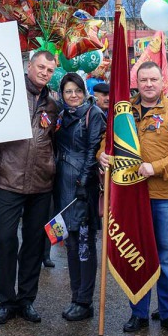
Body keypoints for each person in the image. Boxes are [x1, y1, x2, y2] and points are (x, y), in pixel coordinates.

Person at [101, 61, 168, 335]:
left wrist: (156, 167)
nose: (148, 84)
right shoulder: (123, 111)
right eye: (143, 79)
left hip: (164, 195)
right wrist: (102, 155)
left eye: (153, 79)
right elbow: (106, 142)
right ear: (136, 81)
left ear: (162, 81)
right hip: (130, 196)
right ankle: (138, 313)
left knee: (167, 255)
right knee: (136, 254)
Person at [0, 50, 59, 325]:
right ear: (29, 66)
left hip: (41, 183)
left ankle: (26, 300)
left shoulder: (53, 104)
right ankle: (6, 301)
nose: (44, 72)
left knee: (33, 244)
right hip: (8, 178)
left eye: (49, 70)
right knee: (6, 240)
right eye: (40, 67)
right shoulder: (7, 92)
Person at [54, 72, 106, 322]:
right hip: (61, 184)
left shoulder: (93, 114)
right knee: (71, 244)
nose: (73, 95)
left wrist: (85, 181)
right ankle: (76, 295)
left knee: (84, 244)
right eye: (68, 91)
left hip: (81, 184)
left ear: (84, 92)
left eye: (77, 90)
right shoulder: (62, 116)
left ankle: (84, 300)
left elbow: (92, 149)